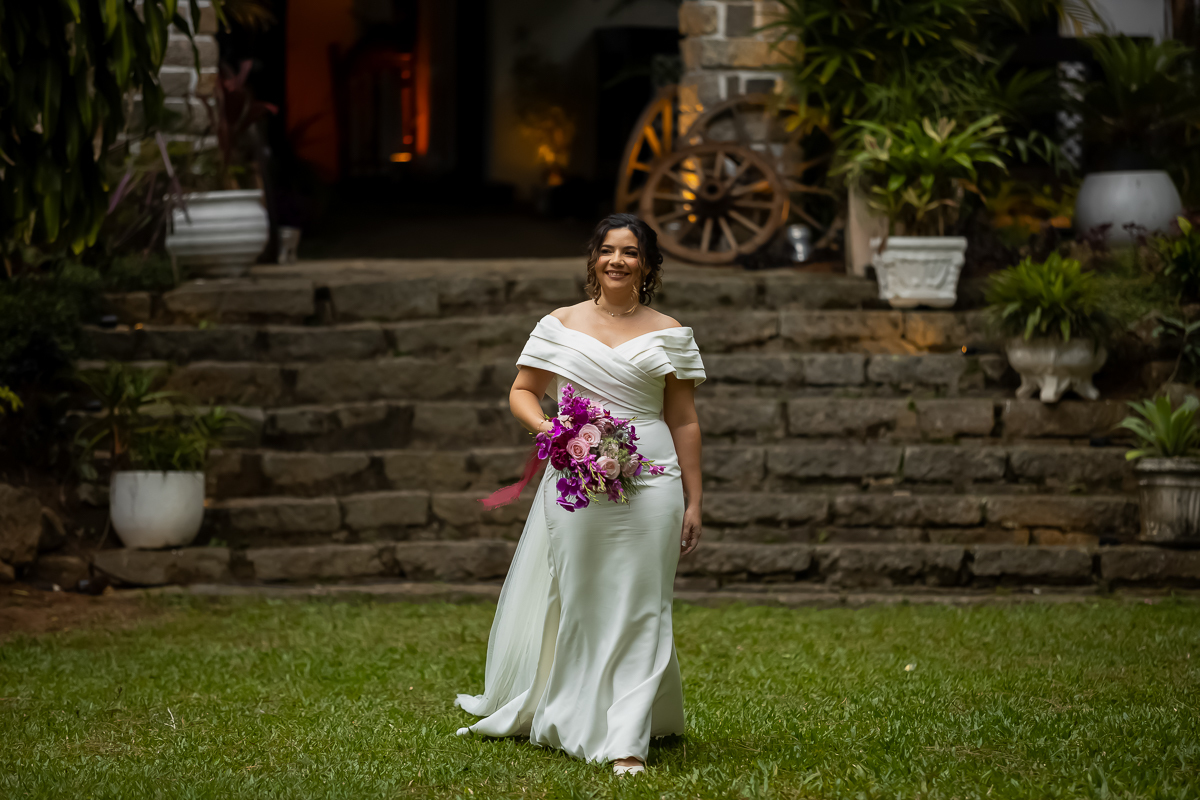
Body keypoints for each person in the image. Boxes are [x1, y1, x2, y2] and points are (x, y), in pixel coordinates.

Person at [454, 213, 705, 775]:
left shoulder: (671, 331)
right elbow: (523, 391)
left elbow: (684, 419)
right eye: (608, 250)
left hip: (653, 476)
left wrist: (694, 501)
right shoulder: (558, 324)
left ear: (649, 263)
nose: (618, 260)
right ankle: (571, 709)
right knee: (582, 596)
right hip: (574, 476)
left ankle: (627, 738)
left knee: (645, 604)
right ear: (594, 258)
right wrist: (555, 434)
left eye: (631, 252)